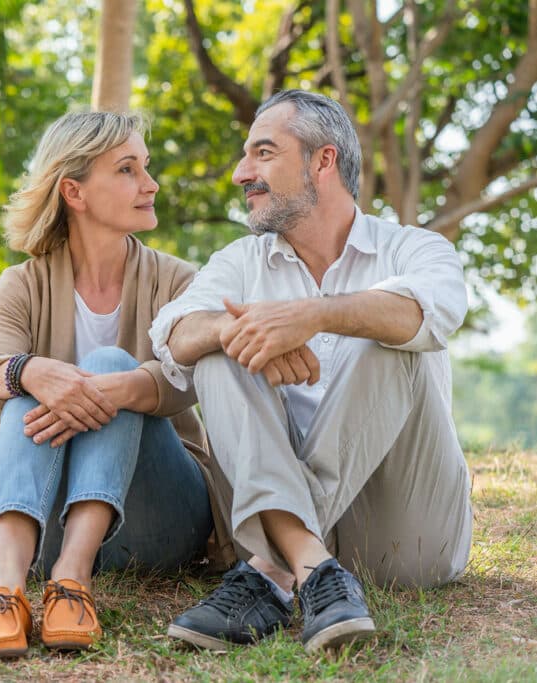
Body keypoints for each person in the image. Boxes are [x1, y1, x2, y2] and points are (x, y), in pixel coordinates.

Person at [149, 89, 473, 653]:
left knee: (390, 334)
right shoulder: (239, 261)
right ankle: (310, 564)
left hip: (404, 535)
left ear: (323, 161)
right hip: (280, 500)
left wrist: (311, 316)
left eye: (263, 153)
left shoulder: (416, 249)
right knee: (221, 343)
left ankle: (272, 571)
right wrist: (237, 331)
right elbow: (173, 335)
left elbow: (428, 312)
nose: (240, 172)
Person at [0, 110, 235, 661]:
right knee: (26, 375)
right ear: (74, 192)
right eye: (128, 169)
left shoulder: (179, 281)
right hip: (45, 521)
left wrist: (116, 388)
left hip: (161, 519)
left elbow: (194, 378)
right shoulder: (22, 284)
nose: (150, 184)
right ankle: (5, 590)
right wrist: (32, 372)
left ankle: (73, 580)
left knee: (108, 366)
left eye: (145, 167)